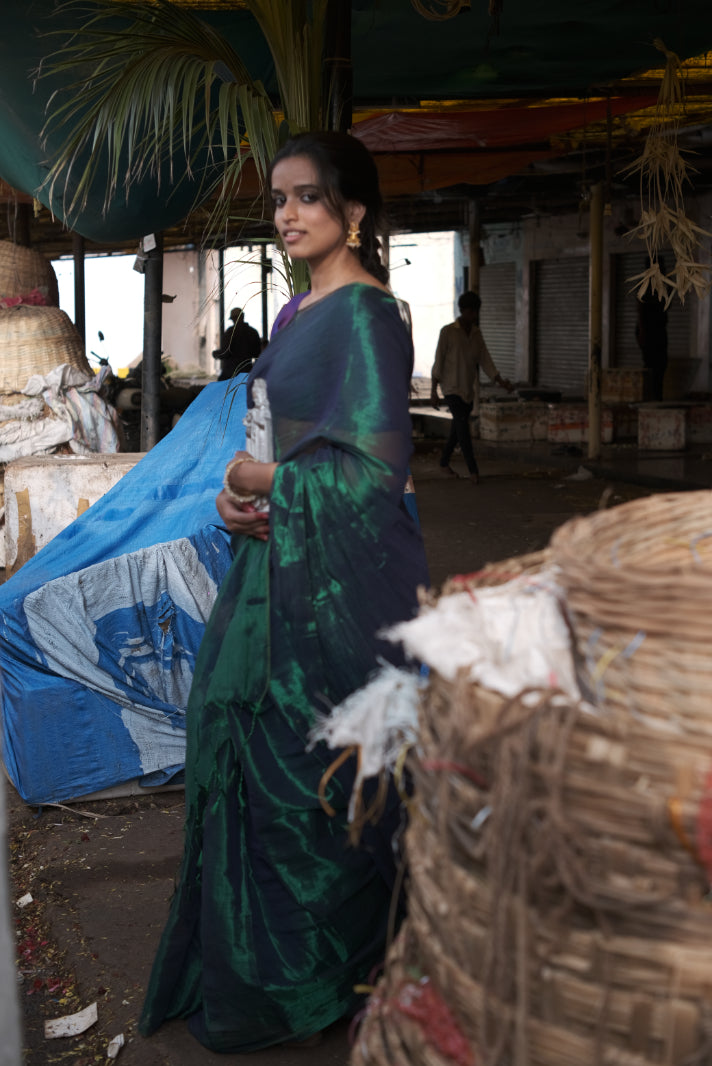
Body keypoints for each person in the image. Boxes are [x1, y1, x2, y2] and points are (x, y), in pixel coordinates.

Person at [139, 131, 429, 1053]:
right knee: (238, 741)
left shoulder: (370, 318)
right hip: (274, 571)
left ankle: (324, 981)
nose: (288, 215)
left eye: (308, 197)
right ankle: (262, 976)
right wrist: (237, 498)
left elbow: (374, 480)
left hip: (346, 583)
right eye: (277, 199)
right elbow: (282, 445)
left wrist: (266, 487)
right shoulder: (300, 315)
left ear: (356, 213)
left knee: (318, 772)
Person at [430, 290, 513, 484]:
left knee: (457, 428)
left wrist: (501, 382)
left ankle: (444, 463)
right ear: (463, 311)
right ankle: (473, 470)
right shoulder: (448, 332)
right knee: (463, 428)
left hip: (468, 389)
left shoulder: (476, 334)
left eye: (476, 312)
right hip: (451, 388)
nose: (474, 316)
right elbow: (438, 362)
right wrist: (434, 390)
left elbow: (486, 360)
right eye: (471, 312)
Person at [635, 262, 668, 402]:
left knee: (660, 364)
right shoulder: (646, 286)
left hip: (658, 329)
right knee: (651, 365)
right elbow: (640, 309)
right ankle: (651, 397)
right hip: (649, 331)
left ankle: (657, 396)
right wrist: (643, 331)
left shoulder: (661, 286)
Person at [213, 306, 262, 379]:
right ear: (242, 316)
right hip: (247, 372)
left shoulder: (230, 332)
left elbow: (225, 352)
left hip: (230, 373)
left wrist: (215, 354)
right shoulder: (253, 332)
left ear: (233, 319)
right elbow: (257, 354)